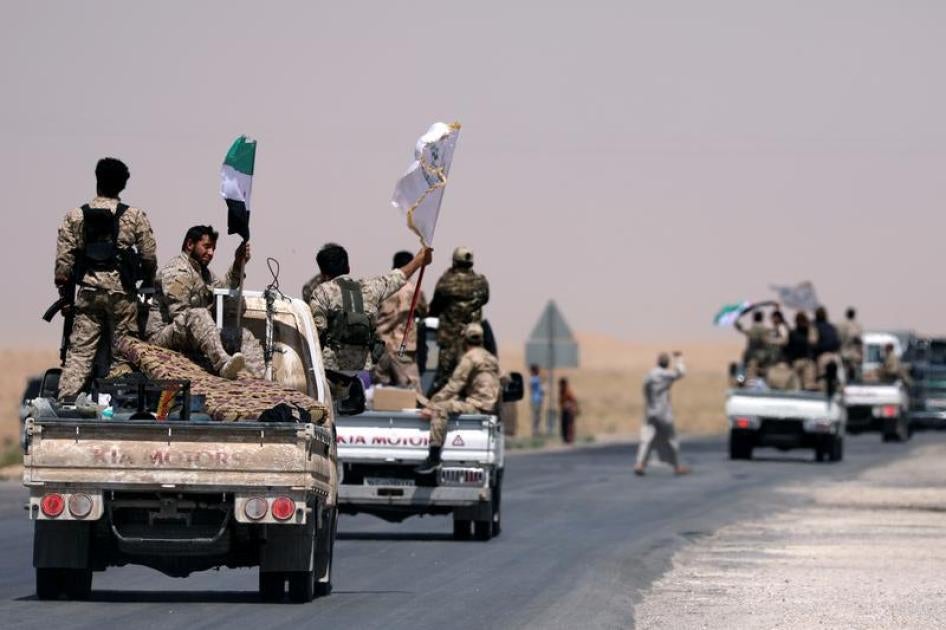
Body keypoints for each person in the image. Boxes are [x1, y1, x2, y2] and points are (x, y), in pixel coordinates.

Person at [55, 157, 157, 400]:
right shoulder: (134, 216)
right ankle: (119, 402)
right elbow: (149, 256)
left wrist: (65, 296)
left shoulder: (75, 216)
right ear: (122, 185)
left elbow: (63, 266)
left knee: (80, 353)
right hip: (123, 295)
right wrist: (146, 282)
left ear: (97, 180)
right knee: (123, 352)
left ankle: (67, 401)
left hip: (89, 292)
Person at [146, 225, 261, 379]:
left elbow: (223, 291)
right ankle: (223, 364)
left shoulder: (203, 273)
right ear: (190, 245)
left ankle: (256, 379)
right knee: (198, 314)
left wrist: (238, 263)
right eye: (206, 247)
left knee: (243, 335)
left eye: (213, 248)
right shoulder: (177, 270)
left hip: (193, 330)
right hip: (163, 336)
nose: (211, 253)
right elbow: (181, 314)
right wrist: (209, 330)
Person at [309, 243, 431, 371]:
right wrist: (419, 260)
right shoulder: (369, 289)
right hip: (361, 369)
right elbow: (398, 277)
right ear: (348, 267)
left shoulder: (321, 293)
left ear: (323, 273)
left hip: (330, 369)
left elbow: (316, 332)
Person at [415, 323, 501, 474]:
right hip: (488, 407)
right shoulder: (491, 358)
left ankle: (434, 457)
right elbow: (504, 379)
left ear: (465, 340)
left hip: (477, 405)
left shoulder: (470, 357)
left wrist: (431, 403)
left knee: (440, 408)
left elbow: (454, 385)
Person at [428, 247, 490, 394]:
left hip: (450, 342)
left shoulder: (446, 283)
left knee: (446, 380)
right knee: (474, 377)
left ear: (454, 262)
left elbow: (435, 308)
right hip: (473, 343)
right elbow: (485, 299)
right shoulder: (481, 283)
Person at [372, 251, 428, 389]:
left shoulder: (382, 287)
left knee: (380, 394)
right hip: (402, 348)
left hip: (380, 346)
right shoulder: (414, 290)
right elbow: (424, 311)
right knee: (412, 394)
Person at [634, 352, 689, 476]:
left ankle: (640, 464)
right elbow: (681, 373)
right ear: (667, 363)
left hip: (651, 411)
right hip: (664, 413)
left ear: (657, 362)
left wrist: (649, 403)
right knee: (671, 439)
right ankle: (677, 466)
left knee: (646, 438)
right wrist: (679, 359)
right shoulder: (666, 375)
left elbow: (645, 389)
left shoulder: (650, 374)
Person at [785, 312, 817, 390]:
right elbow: (813, 342)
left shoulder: (792, 333)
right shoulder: (808, 332)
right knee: (808, 386)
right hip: (807, 361)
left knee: (796, 387)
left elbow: (788, 348)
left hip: (796, 362)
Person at [734, 310, 770, 378]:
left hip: (750, 353)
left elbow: (742, 329)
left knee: (743, 365)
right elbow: (766, 339)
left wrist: (737, 319)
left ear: (754, 318)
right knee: (767, 366)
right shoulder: (765, 329)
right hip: (762, 353)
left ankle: (740, 377)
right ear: (762, 318)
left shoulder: (752, 328)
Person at [812, 306, 842, 384]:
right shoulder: (832, 327)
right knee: (837, 380)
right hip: (835, 356)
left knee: (822, 380)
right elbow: (837, 342)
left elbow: (813, 343)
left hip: (822, 357)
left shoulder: (814, 326)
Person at [838, 307, 863, 380]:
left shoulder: (841, 324)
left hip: (844, 352)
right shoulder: (857, 325)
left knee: (844, 371)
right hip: (852, 352)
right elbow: (857, 338)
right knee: (851, 371)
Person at [559, 377, 579, 444]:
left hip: (569, 411)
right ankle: (565, 439)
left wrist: (574, 408)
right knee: (564, 425)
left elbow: (574, 400)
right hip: (564, 411)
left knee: (569, 425)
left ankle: (570, 438)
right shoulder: (561, 392)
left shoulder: (568, 391)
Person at [529, 364, 545, 436]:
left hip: (535, 399)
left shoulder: (532, 379)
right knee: (536, 417)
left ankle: (536, 431)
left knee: (536, 416)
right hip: (537, 399)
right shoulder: (535, 379)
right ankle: (535, 431)